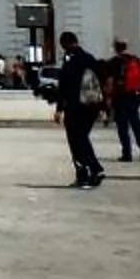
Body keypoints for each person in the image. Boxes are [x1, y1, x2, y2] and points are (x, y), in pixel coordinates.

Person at [54, 30, 106, 189]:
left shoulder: (71, 61)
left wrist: (59, 109)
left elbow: (65, 87)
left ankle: (89, 171)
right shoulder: (89, 58)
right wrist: (102, 107)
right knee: (82, 138)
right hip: (91, 106)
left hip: (75, 107)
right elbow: (100, 83)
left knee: (76, 140)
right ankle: (89, 172)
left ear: (65, 44)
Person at [110, 38, 140, 163]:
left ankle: (127, 153)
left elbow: (110, 81)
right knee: (137, 125)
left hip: (121, 97)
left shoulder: (115, 62)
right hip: (134, 96)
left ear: (116, 48)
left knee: (123, 126)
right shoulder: (135, 59)